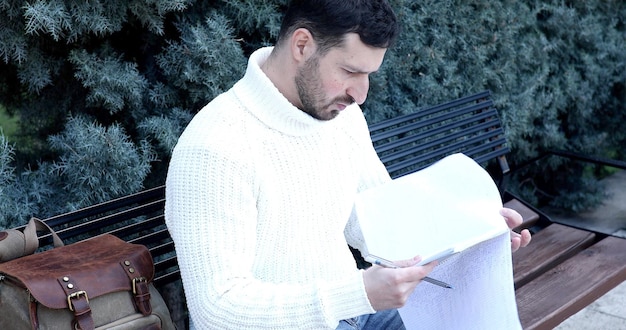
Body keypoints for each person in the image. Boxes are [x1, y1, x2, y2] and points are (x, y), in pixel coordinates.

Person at [164, 0, 532, 329]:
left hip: (356, 312)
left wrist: (473, 233)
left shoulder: (340, 116)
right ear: (302, 45)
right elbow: (218, 310)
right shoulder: (214, 148)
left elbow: (377, 223)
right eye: (351, 71)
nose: (360, 94)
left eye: (368, 75)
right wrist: (358, 294)